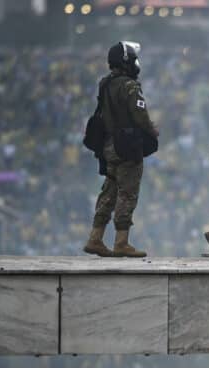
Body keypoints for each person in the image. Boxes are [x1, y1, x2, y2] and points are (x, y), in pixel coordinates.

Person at [83, 41, 159, 258]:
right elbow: (140, 116)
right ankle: (121, 242)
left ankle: (95, 238)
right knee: (127, 193)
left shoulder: (105, 83)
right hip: (127, 146)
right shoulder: (129, 86)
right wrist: (152, 130)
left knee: (109, 192)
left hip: (109, 145)